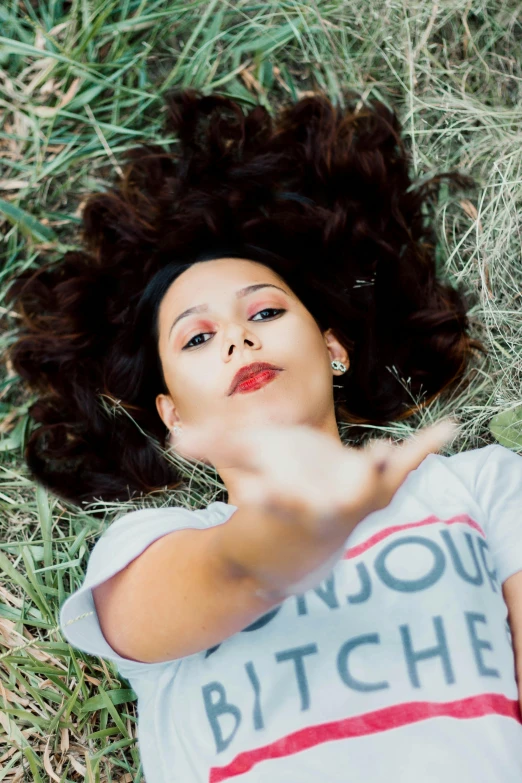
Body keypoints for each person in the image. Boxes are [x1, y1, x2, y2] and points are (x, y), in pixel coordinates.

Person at [6, 88, 522, 782]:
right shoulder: (142, 548)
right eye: (197, 335)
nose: (239, 337)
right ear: (175, 416)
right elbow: (230, 571)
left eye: (267, 311)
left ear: (332, 347)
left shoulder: (481, 483)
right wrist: (299, 527)